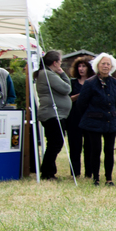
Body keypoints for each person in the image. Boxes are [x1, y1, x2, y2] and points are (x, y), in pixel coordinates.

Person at [77, 52, 116, 186]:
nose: (105, 66)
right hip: (93, 121)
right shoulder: (90, 83)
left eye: (108, 64)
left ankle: (109, 178)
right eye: (103, 63)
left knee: (109, 150)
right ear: (97, 65)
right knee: (95, 150)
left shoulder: (114, 83)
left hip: (110, 121)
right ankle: (95, 177)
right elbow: (81, 103)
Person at [34, 51, 72, 180]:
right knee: (55, 143)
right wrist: (62, 73)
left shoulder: (45, 73)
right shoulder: (47, 74)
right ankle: (47, 172)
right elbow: (66, 88)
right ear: (55, 63)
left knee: (54, 142)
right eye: (60, 62)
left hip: (55, 114)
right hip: (52, 114)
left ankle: (48, 171)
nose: (60, 65)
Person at [66, 56, 93, 178]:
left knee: (90, 146)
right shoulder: (71, 83)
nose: (81, 69)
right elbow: (68, 99)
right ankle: (75, 172)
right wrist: (80, 95)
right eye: (79, 66)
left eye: (84, 66)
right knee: (75, 145)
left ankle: (89, 172)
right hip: (74, 117)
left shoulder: (93, 82)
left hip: (89, 117)